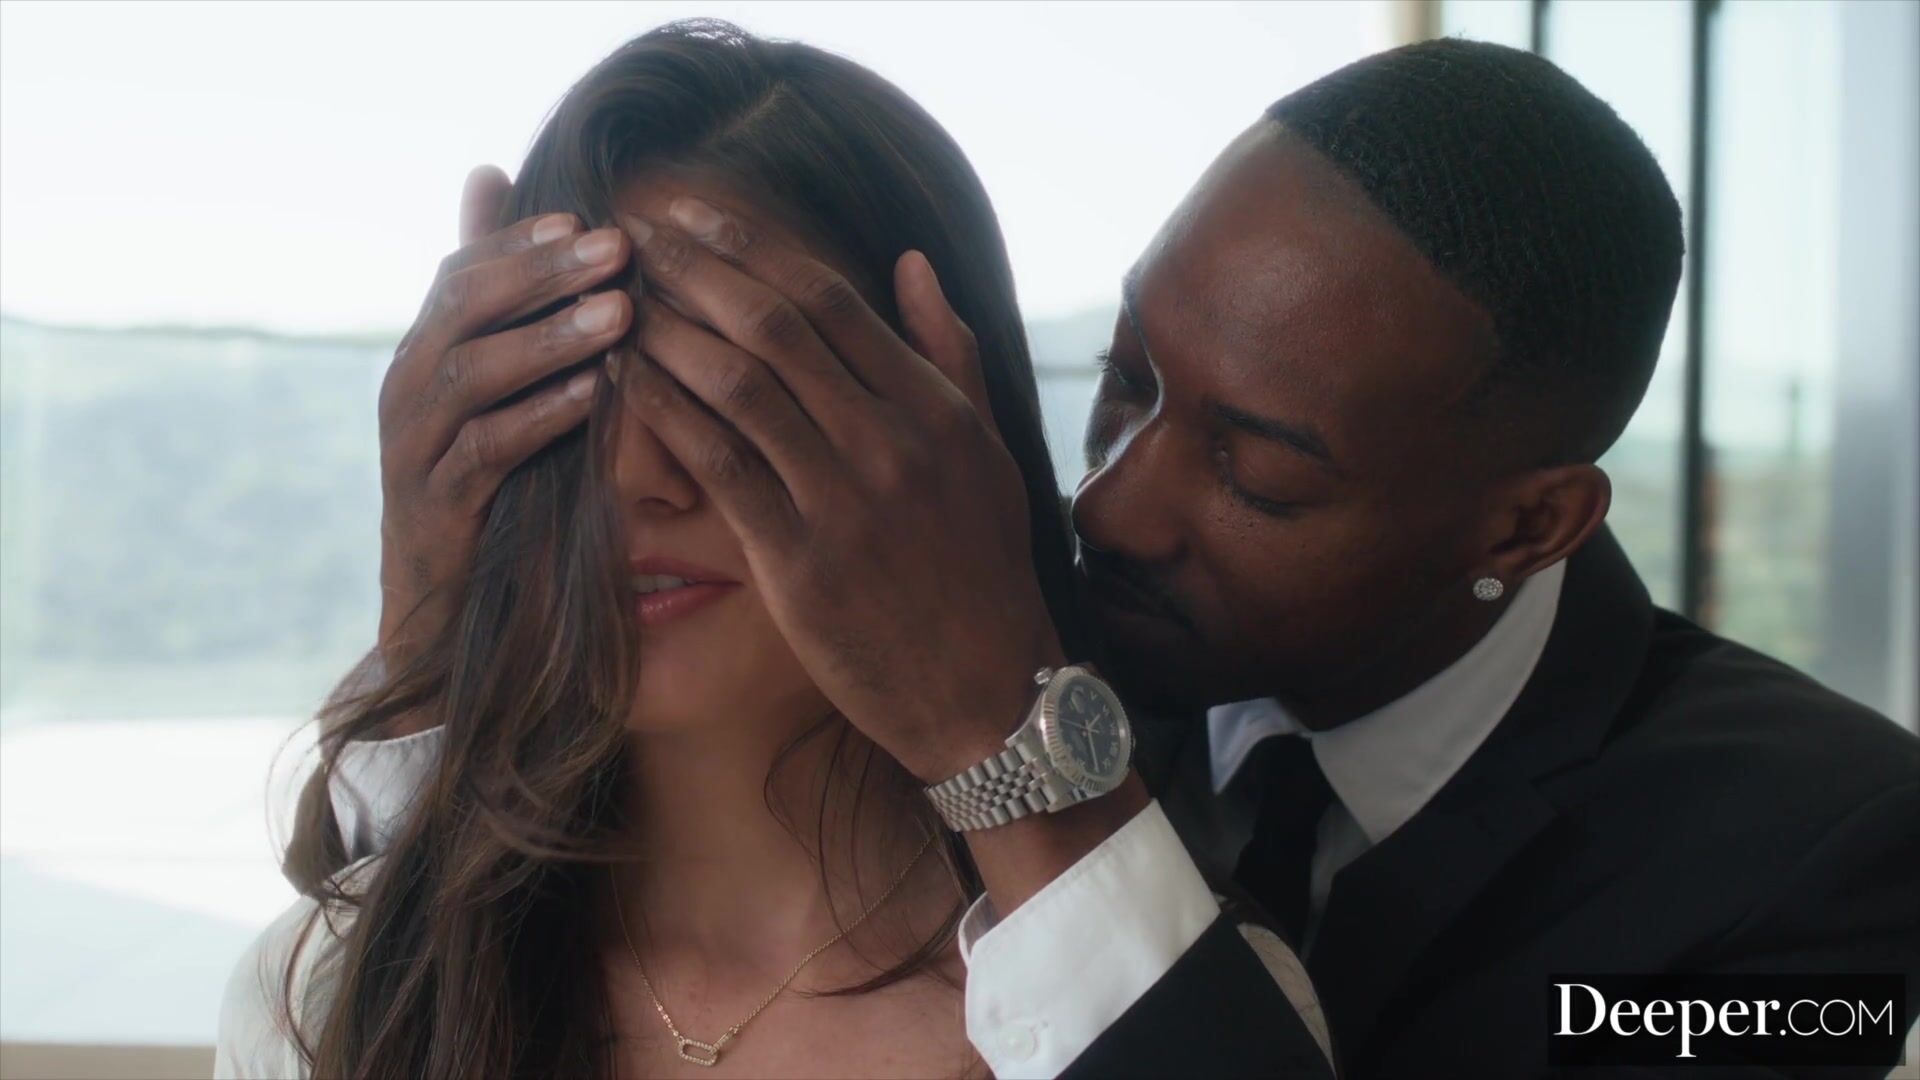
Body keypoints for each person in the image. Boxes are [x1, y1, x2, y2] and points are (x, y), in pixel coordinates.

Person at [300, 34, 1920, 1080]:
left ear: (1527, 522)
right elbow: (409, 932)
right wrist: (448, 611)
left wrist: (999, 741)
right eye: (1127, 381)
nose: (1117, 509)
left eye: (1256, 472)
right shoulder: (1029, 624)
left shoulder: (1819, 849)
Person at [213, 21, 1331, 1080]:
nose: (634, 475)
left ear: (950, 431)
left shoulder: (1176, 999)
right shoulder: (321, 991)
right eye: (572, 373)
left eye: (732, 381)